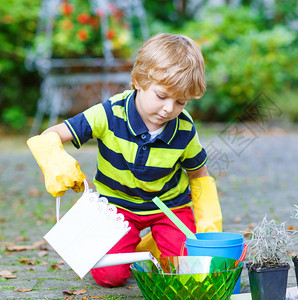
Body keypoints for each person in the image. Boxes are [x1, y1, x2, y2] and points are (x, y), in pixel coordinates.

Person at [27, 33, 222, 287]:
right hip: (118, 209)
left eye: (180, 102)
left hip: (168, 209)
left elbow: (199, 175)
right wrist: (54, 159)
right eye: (162, 96)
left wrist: (208, 226)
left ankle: (157, 244)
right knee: (110, 277)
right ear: (139, 81)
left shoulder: (183, 127)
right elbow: (51, 135)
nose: (168, 109)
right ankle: (139, 247)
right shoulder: (109, 114)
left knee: (185, 271)